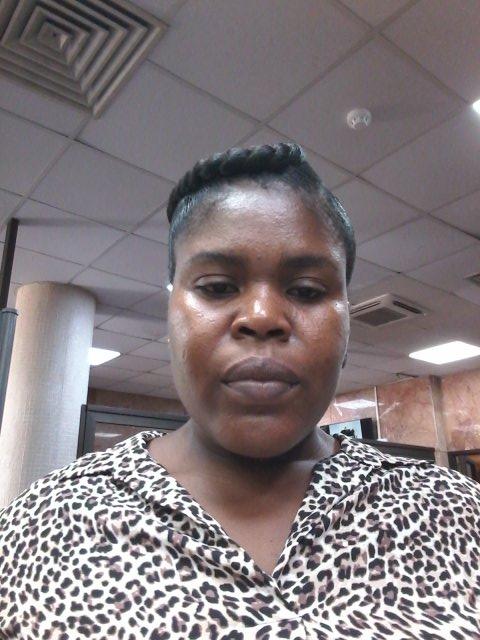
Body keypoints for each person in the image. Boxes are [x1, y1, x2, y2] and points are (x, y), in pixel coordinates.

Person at [0, 143, 479, 639]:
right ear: (171, 316)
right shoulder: (40, 530)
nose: (262, 317)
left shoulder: (453, 514)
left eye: (307, 291)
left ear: (346, 325)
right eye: (217, 286)